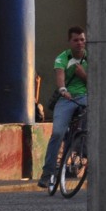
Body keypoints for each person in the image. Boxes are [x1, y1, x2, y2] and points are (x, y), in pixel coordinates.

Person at [39, 27, 88, 189]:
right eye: (76, 40)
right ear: (69, 42)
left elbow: (100, 81)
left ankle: (83, 149)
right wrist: (63, 90)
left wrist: (84, 76)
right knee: (58, 133)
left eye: (82, 39)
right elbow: (60, 78)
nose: (80, 43)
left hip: (87, 97)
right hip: (67, 99)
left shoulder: (91, 57)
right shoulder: (63, 58)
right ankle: (47, 173)